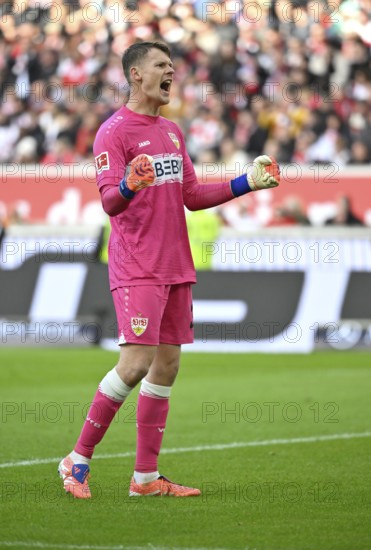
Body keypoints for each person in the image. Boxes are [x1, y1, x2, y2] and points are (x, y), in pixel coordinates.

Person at [58, 41, 280, 499]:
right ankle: (77, 461)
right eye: (161, 65)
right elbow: (109, 201)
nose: (171, 72)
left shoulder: (173, 133)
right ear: (136, 74)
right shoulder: (113, 132)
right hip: (137, 264)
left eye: (172, 66)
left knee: (167, 366)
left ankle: (144, 479)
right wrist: (128, 183)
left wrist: (247, 182)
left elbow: (192, 195)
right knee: (136, 362)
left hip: (176, 264)